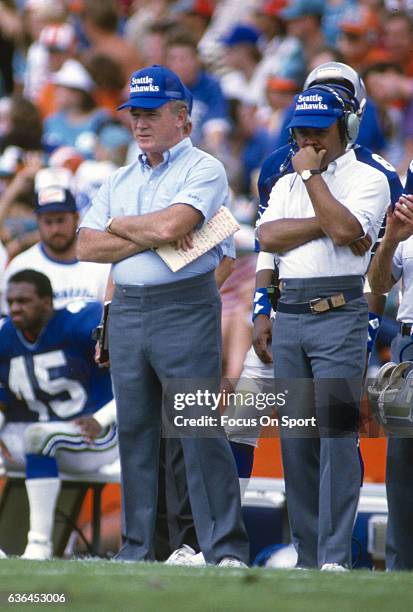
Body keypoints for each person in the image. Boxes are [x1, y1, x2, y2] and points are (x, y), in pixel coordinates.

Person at [77, 64, 249, 566]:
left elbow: (177, 224)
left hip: (186, 306)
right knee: (135, 434)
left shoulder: (204, 168)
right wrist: (148, 234)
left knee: (197, 428)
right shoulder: (118, 176)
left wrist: (121, 226)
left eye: (151, 113)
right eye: (134, 113)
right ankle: (140, 550)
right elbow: (87, 246)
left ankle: (222, 549)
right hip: (129, 309)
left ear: (184, 119)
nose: (139, 123)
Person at [257, 83, 390, 570]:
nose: (308, 141)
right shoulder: (283, 181)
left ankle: (335, 556)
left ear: (347, 128)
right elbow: (268, 236)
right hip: (290, 314)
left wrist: (314, 184)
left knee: (336, 439)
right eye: (301, 132)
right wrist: (329, 220)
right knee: (296, 444)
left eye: (319, 130)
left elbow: (346, 232)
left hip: (340, 313)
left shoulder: (367, 178)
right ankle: (309, 556)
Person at [0, 269, 118, 560]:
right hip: (37, 428)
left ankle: (38, 545)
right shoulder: (6, 336)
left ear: (46, 302)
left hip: (97, 433)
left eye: (24, 301)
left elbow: (135, 380)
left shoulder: (80, 323)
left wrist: (102, 418)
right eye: (11, 301)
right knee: (37, 435)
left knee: (39, 437)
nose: (15, 308)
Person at [368, 176, 413, 571]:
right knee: (403, 468)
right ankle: (401, 571)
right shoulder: (406, 229)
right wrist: (392, 240)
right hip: (410, 342)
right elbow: (378, 284)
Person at [1, 184, 110, 313]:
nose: (55, 229)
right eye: (48, 222)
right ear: (37, 221)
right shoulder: (21, 267)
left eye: (60, 220)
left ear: (76, 218)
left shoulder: (101, 263)